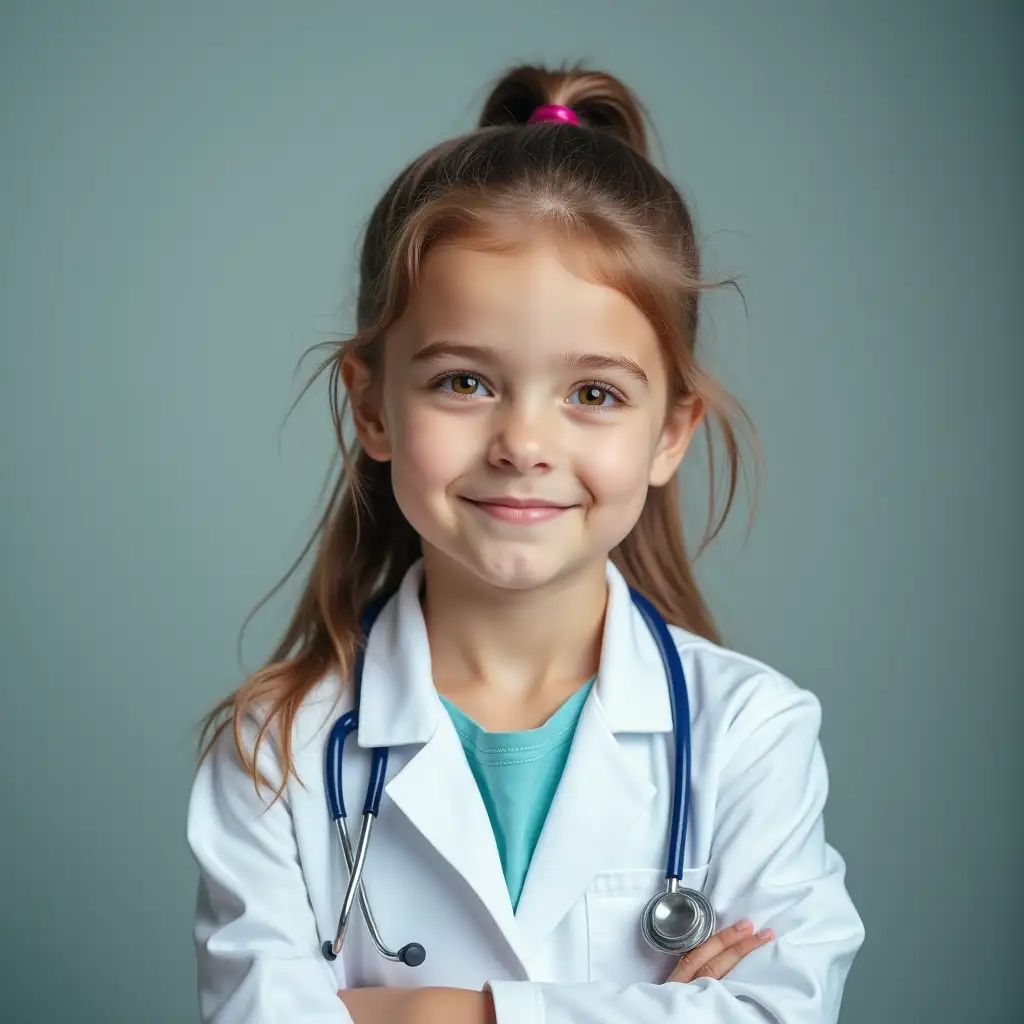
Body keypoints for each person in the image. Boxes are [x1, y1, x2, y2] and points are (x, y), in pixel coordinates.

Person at [187, 63, 865, 1024]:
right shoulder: (277, 752)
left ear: (671, 432)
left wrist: (429, 1013)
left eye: (593, 394)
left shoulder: (752, 736)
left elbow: (777, 1014)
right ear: (373, 406)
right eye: (465, 382)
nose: (524, 445)